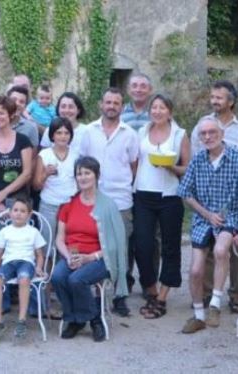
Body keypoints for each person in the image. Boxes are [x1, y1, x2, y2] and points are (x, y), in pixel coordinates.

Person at [178, 118, 238, 334]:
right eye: (203, 133)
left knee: (221, 249)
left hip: (230, 216)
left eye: (212, 132)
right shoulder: (197, 160)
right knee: (195, 271)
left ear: (222, 134)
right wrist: (206, 214)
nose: (207, 137)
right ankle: (198, 316)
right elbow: (185, 193)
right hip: (203, 218)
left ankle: (215, 304)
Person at [190, 80, 238, 313]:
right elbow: (197, 162)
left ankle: (236, 294)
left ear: (231, 101)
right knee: (208, 248)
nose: (214, 101)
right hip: (208, 199)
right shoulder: (202, 124)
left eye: (219, 97)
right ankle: (206, 292)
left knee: (236, 251)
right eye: (213, 96)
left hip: (235, 204)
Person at [52, 156, 128, 342]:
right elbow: (59, 239)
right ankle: (75, 319)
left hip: (99, 258)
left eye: (87, 173)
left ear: (96, 176)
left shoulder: (107, 206)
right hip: (73, 254)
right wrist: (68, 256)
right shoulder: (68, 204)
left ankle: (94, 319)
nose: (83, 177)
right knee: (58, 277)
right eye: (79, 173)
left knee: (77, 280)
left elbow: (115, 246)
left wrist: (90, 257)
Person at [77, 88, 139, 316]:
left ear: (122, 107)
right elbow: (82, 162)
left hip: (121, 200)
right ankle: (96, 293)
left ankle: (120, 296)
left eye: (116, 102)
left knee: (119, 249)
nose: (112, 106)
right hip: (93, 199)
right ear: (100, 104)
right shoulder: (88, 132)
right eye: (108, 102)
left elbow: (134, 165)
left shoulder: (130, 134)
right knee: (96, 246)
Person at [133, 94, 190, 319]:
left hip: (170, 196)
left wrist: (171, 168)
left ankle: (163, 296)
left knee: (170, 246)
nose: (157, 111)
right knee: (142, 244)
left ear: (170, 112)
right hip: (143, 193)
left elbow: (188, 167)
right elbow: (136, 161)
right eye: (154, 107)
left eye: (162, 107)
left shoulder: (179, 134)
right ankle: (151, 288)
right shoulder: (141, 132)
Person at [0, 197, 47, 342]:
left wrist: (38, 267)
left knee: (24, 278)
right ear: (10, 213)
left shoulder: (33, 232)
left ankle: (21, 320)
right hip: (9, 263)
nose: (18, 214)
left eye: (23, 211)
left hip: (26, 262)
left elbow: (39, 254)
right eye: (15, 210)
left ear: (29, 214)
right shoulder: (5, 231)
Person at [0, 95, 34, 219]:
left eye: (2, 113)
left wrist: (3, 194)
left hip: (19, 200)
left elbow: (27, 174)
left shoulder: (23, 141)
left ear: (11, 115)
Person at [33, 117, 78, 234]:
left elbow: (79, 184)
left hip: (71, 206)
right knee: (47, 243)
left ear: (71, 136)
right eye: (59, 133)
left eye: (66, 133)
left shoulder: (76, 156)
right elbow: (36, 185)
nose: (63, 136)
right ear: (52, 135)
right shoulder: (44, 154)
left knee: (68, 243)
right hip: (49, 205)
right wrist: (46, 174)